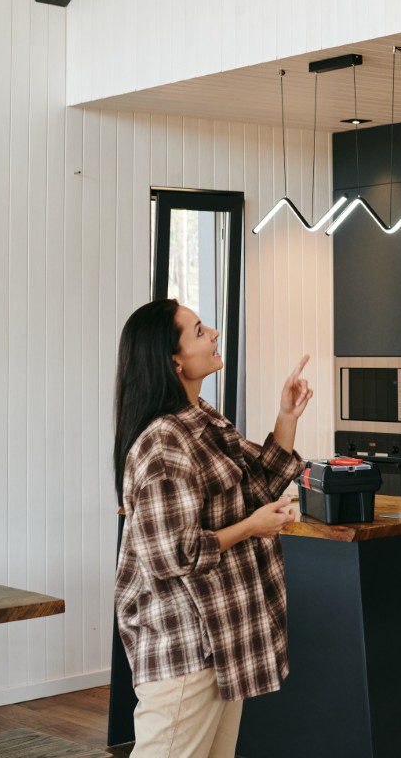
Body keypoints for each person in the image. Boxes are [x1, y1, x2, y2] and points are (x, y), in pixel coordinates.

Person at [112, 298, 313, 757]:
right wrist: (251, 527)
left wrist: (286, 417)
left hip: (221, 640)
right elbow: (170, 555)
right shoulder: (164, 441)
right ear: (174, 359)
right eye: (200, 331)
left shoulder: (202, 417)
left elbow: (258, 485)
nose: (215, 334)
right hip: (184, 644)